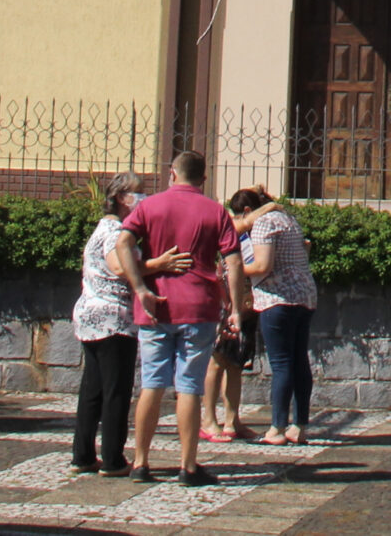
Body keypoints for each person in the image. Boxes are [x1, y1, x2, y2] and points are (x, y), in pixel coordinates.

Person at [117, 150, 246, 485]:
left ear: (172, 173)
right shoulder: (215, 211)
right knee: (189, 386)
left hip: (156, 306)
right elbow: (233, 262)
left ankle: (141, 462)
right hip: (198, 308)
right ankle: (188, 465)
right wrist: (233, 307)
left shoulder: (149, 206)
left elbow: (123, 242)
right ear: (203, 178)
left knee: (152, 383)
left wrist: (138, 286)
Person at [69, 174, 191, 476]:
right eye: (139, 193)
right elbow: (118, 265)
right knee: (116, 390)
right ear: (123, 197)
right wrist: (157, 264)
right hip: (113, 319)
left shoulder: (102, 228)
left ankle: (83, 455)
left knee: (93, 389)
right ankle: (112, 458)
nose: (144, 197)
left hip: (91, 315)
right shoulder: (115, 231)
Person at [244, 193, 319, 445]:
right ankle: (299, 425)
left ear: (248, 210)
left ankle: (276, 428)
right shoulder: (289, 219)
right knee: (299, 360)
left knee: (281, 363)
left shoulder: (264, 223)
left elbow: (263, 265)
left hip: (277, 297)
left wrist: (233, 268)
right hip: (304, 294)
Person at [201, 190, 271, 443]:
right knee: (218, 361)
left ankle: (232, 420)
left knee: (236, 363)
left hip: (248, 302)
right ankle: (208, 419)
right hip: (229, 301)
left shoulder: (253, 233)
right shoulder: (232, 228)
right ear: (246, 213)